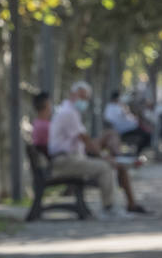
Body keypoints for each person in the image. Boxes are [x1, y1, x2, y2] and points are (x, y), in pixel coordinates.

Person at [49, 82, 149, 216]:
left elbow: (85, 141)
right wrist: (104, 157)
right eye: (81, 97)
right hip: (65, 161)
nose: (83, 101)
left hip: (70, 158)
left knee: (110, 142)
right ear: (72, 95)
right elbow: (85, 139)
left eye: (86, 98)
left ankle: (121, 160)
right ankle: (110, 207)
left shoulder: (70, 111)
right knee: (105, 167)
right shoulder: (68, 113)